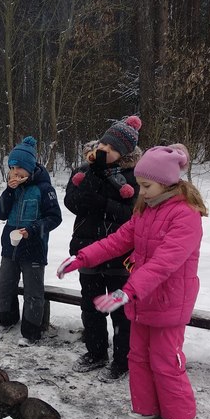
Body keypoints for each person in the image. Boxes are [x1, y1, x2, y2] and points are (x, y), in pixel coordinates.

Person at [57, 144, 207, 419]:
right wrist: (82, 258)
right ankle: (146, 409)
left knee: (165, 359)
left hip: (168, 300)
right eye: (140, 185)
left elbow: (166, 262)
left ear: (167, 182)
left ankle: (181, 415)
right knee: (137, 356)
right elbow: (117, 241)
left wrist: (127, 290)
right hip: (141, 298)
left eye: (146, 185)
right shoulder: (145, 210)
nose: (141, 191)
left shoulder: (185, 215)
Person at [63, 115, 142, 378]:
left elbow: (131, 214)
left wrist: (100, 202)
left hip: (120, 254)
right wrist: (89, 182)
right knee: (91, 306)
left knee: (120, 311)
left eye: (112, 149)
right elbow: (72, 203)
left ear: (124, 153)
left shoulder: (134, 177)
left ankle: (122, 360)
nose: (104, 150)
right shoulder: (84, 170)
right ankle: (96, 352)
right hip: (87, 248)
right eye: (104, 145)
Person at [0, 136, 62, 345]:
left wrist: (32, 230)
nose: (15, 172)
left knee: (33, 293)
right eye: (12, 167)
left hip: (34, 248)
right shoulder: (13, 188)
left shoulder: (43, 188)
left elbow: (54, 217)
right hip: (10, 248)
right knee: (4, 286)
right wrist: (9, 191)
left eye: (20, 169)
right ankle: (7, 320)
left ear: (30, 169)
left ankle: (31, 331)